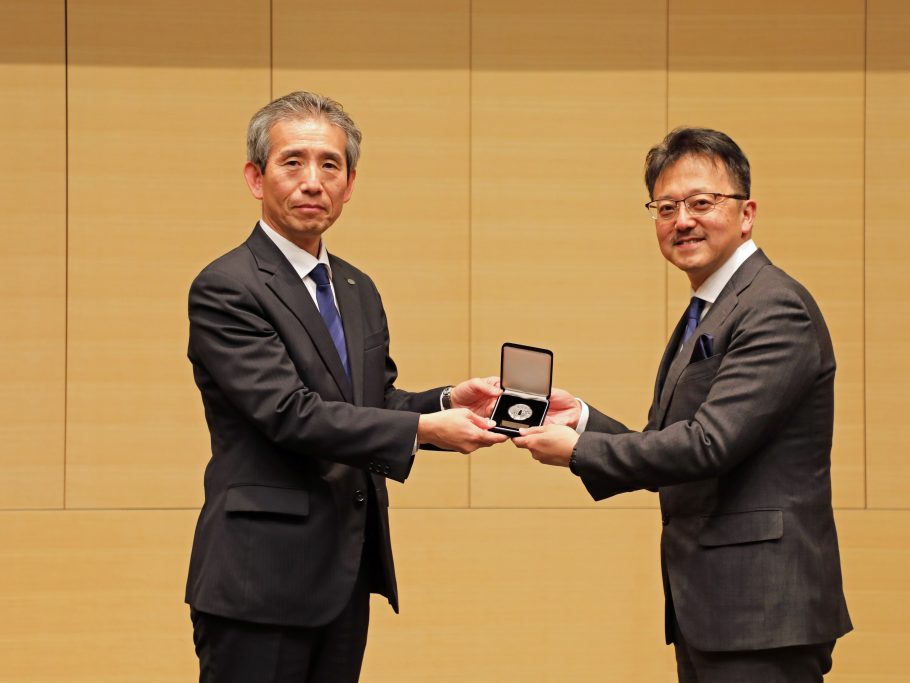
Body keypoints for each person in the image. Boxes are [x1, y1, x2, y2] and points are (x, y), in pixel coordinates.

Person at [185, 91, 507, 683]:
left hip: (343, 573)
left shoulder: (356, 286)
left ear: (350, 184)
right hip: (259, 580)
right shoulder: (226, 287)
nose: (313, 181)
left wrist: (443, 403)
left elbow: (371, 404)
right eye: (293, 162)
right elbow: (289, 413)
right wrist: (420, 429)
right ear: (256, 178)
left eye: (330, 165)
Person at [514, 128, 853, 681]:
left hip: (763, 610)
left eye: (702, 202)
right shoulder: (710, 308)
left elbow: (708, 444)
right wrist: (581, 419)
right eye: (666, 207)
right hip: (718, 606)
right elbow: (667, 437)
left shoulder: (772, 307)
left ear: (746, 213)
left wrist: (578, 451)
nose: (682, 220)